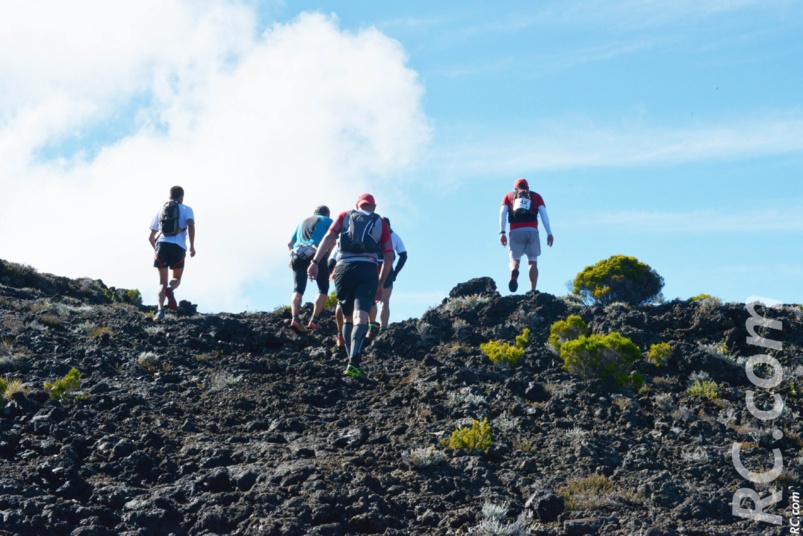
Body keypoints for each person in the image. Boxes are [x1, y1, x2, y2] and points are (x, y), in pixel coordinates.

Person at [307, 194, 394, 378]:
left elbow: (329, 237)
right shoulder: (380, 222)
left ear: (357, 205)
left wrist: (315, 261)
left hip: (343, 269)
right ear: (374, 206)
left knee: (347, 318)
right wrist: (380, 282)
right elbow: (389, 256)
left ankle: (350, 359)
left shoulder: (344, 215)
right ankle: (354, 362)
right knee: (360, 317)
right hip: (368, 269)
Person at [149, 186, 196, 321]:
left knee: (161, 283)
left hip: (162, 246)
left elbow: (151, 237)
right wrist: (192, 246)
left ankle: (159, 311)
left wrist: (157, 251)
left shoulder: (161, 210)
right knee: (177, 278)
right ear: (182, 197)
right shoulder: (187, 209)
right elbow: (191, 225)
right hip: (178, 247)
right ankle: (171, 289)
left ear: (169, 196)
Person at [499, 178, 553, 293]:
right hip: (532, 230)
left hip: (515, 231)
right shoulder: (536, 196)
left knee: (515, 259)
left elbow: (502, 213)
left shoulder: (509, 196)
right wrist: (549, 233)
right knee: (532, 261)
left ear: (515, 188)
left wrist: (502, 233)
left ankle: (514, 270)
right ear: (528, 187)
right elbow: (544, 214)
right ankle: (532, 290)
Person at [287, 206, 333, 332]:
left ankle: (295, 319)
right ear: (327, 214)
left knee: (298, 288)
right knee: (323, 288)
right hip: (316, 253)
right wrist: (327, 257)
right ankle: (314, 320)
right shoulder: (327, 221)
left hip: (298, 253)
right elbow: (332, 241)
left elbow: (290, 243)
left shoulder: (302, 222)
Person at [367, 217, 407, 338]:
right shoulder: (394, 236)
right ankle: (383, 329)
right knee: (384, 301)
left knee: (371, 299)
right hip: (387, 267)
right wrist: (395, 273)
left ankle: (372, 327)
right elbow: (403, 255)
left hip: (371, 266)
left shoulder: (372, 233)